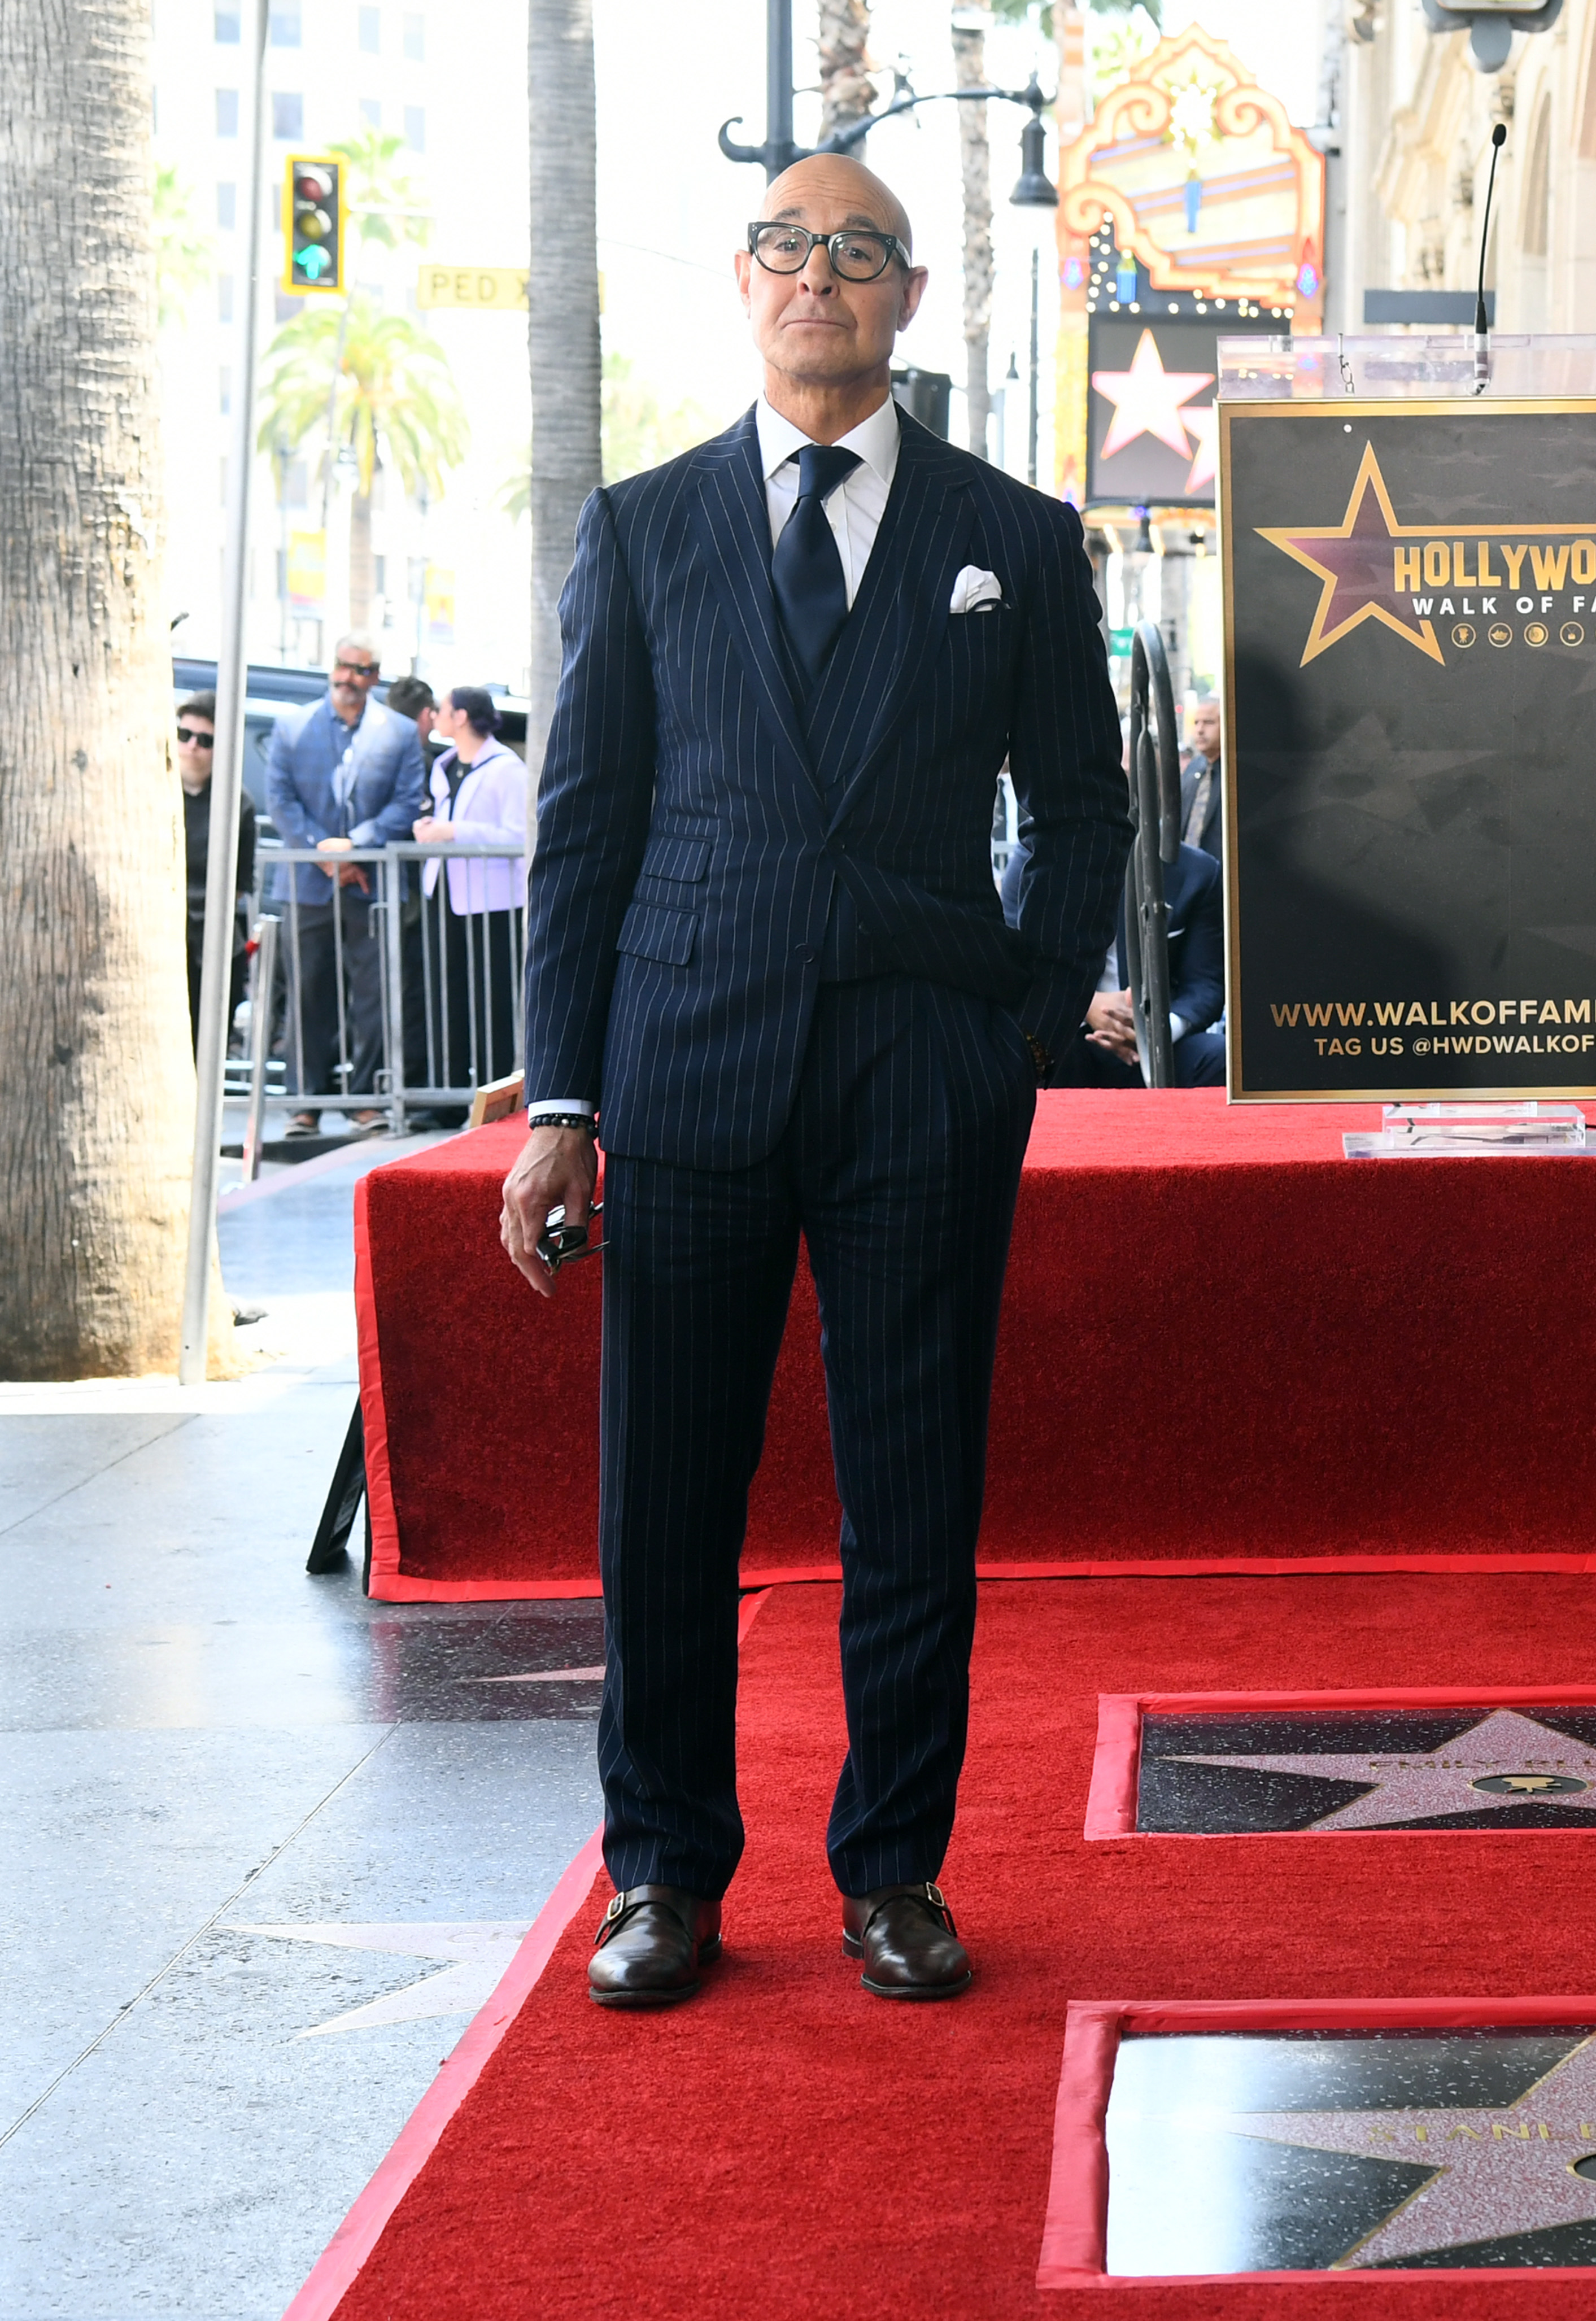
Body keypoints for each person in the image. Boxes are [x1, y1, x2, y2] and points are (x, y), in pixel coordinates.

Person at [498, 154, 1130, 2010]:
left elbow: (1085, 816)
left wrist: (1019, 1032)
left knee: (912, 1497)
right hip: (683, 1069)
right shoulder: (645, 527)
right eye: (789, 249)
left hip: (921, 1083)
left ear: (909, 299)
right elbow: (584, 833)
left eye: (857, 254)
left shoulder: (1015, 537)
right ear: (745, 282)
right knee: (664, 1506)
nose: (818, 280)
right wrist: (560, 1099)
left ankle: (893, 1870)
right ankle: (666, 1876)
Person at [259, 634, 426, 1136]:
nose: (348, 677)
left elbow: (405, 803)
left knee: (372, 997)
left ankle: (367, 1103)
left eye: (360, 669)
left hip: (371, 887)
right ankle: (305, 1105)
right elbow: (281, 801)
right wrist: (325, 854)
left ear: (375, 677)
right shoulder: (292, 728)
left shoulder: (398, 733)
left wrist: (352, 846)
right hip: (307, 887)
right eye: (342, 666)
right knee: (308, 994)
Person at [1000, 836, 1223, 1088]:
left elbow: (1206, 983)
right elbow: (1011, 964)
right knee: (1023, 1053)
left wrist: (1160, 1029)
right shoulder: (1034, 857)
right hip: (1067, 1032)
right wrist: (1085, 1004)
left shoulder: (1199, 871)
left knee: (1222, 1060)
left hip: (1161, 1041)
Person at [412, 685, 529, 1089]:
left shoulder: (506, 768)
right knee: (447, 994)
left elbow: (518, 834)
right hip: (445, 893)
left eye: (441, 710)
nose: (435, 716)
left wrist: (453, 831)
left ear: (461, 716)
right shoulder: (444, 765)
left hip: (491, 901)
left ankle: (492, 1092)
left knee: (491, 998)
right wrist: (431, 830)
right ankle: (447, 1087)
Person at [178, 692, 256, 1043]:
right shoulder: (151, 789)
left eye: (205, 740)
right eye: (185, 735)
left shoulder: (237, 803)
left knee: (207, 1043)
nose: (192, 747)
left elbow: (239, 882)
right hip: (159, 933)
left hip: (212, 939)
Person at [1178, 696, 1221, 857]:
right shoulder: (1194, 768)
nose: (1200, 730)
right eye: (1196, 723)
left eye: (1209, 722)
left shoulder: (1234, 773)